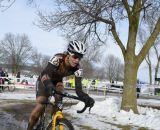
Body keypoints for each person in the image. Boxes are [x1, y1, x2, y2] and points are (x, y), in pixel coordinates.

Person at [27, 40, 95, 130]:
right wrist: (48, 85)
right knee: (41, 104)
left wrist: (86, 98)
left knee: (59, 104)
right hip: (44, 80)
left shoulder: (78, 69)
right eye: (75, 57)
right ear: (68, 54)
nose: (77, 60)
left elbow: (79, 90)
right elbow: (45, 75)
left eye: (80, 58)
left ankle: (54, 124)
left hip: (58, 82)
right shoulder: (57, 59)